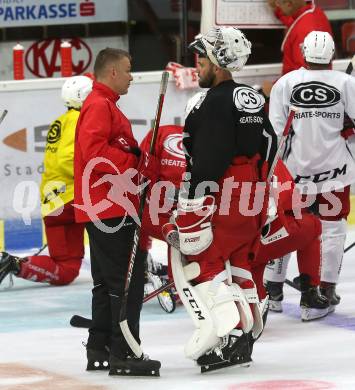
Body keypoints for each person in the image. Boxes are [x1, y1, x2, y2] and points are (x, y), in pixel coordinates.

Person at [165, 27, 278, 372]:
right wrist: (261, 188)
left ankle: (226, 338)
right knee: (240, 264)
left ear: (218, 60)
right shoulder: (252, 97)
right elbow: (271, 145)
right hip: (252, 192)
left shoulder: (210, 103)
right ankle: (245, 337)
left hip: (223, 190)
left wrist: (192, 204)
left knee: (204, 263)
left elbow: (209, 159)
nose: (196, 64)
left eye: (201, 58)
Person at [74, 48, 160, 376]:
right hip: (107, 207)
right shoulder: (99, 105)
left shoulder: (104, 105)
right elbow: (94, 152)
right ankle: (124, 351)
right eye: (127, 70)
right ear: (112, 73)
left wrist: (134, 156)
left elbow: (108, 148)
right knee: (127, 280)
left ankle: (102, 345)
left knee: (107, 282)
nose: (131, 76)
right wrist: (136, 162)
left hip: (104, 205)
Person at [266, 31, 355, 313]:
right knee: (332, 227)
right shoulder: (346, 83)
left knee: (286, 225)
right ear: (332, 54)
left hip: (294, 174)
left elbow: (275, 131)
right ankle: (325, 290)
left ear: (303, 52)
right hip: (335, 171)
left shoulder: (285, 83)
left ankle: (273, 289)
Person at [0, 75, 93, 287]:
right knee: (124, 215)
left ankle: (12, 264)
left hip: (54, 203)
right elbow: (66, 159)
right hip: (74, 200)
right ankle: (140, 268)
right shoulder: (81, 120)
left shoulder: (60, 121)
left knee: (66, 270)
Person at [262, 0, 332, 96]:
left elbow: (304, 75)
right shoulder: (313, 12)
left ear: (289, 4)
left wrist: (274, 88)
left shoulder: (304, 30)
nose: (277, 6)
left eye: (279, 3)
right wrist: (277, 9)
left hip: (302, 98)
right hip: (317, 90)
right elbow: (292, 20)